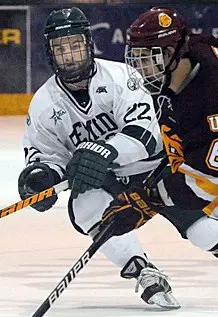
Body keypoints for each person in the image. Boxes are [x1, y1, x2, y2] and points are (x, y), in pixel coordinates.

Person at [17, 7, 180, 309]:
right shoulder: (43, 104)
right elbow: (46, 155)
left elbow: (146, 133)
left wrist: (107, 152)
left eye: (75, 45)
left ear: (88, 44)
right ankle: (142, 270)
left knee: (205, 231)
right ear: (51, 53)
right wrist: (44, 177)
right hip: (111, 183)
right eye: (61, 48)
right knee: (83, 206)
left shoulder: (122, 77)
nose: (70, 55)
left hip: (158, 171)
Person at [100, 7, 218, 263]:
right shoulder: (179, 69)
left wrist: (151, 197)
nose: (140, 68)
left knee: (207, 217)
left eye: (147, 58)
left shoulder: (210, 90)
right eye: (137, 58)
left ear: (169, 53)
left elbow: (209, 175)